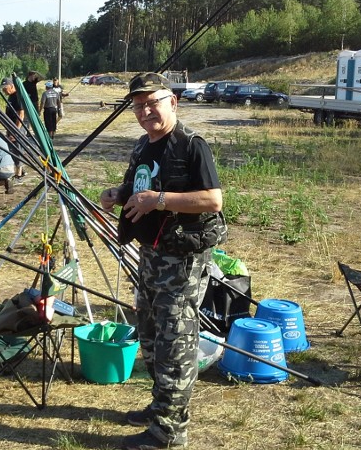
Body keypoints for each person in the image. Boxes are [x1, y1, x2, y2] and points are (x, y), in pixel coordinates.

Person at [99, 72, 224, 450]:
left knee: (175, 342)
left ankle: (167, 434)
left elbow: (212, 200)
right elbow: (138, 189)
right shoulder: (142, 147)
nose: (146, 111)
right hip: (150, 253)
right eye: (139, 105)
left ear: (173, 102)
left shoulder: (191, 145)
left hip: (181, 259)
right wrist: (116, 194)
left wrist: (161, 200)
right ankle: (160, 408)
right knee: (151, 336)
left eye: (153, 102)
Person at [1, 77, 26, 181]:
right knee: (11, 149)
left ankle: (19, 175)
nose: (3, 90)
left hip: (17, 128)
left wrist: (16, 131)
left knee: (17, 150)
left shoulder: (17, 96)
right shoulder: (11, 96)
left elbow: (21, 113)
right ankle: (21, 171)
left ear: (11, 86)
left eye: (5, 88)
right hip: (11, 127)